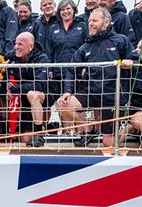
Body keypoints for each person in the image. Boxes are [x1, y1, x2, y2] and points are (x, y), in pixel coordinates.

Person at [57, 8, 136, 148]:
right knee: (62, 105)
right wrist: (68, 91)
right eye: (89, 21)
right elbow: (70, 68)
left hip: (113, 96)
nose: (90, 24)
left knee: (108, 143)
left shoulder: (120, 40)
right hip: (93, 91)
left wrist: (131, 62)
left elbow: (135, 60)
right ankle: (89, 129)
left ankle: (129, 127)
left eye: (94, 20)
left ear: (106, 23)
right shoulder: (85, 47)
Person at [44, 0, 87, 132]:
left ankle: (82, 132)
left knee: (76, 103)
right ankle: (67, 132)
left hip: (78, 71)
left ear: (73, 9)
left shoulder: (83, 25)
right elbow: (49, 50)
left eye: (68, 8)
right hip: (59, 72)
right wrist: (50, 68)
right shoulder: (53, 28)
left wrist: (86, 66)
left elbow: (88, 46)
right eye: (62, 9)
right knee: (62, 102)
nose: (65, 11)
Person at [6, 32, 50, 147]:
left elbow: (39, 85)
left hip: (43, 96)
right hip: (24, 99)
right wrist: (7, 89)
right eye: (15, 44)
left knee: (32, 94)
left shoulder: (42, 58)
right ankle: (4, 129)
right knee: (25, 139)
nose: (16, 47)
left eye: (20, 44)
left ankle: (39, 133)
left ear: (30, 47)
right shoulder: (11, 57)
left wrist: (15, 89)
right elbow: (1, 75)